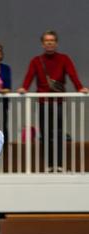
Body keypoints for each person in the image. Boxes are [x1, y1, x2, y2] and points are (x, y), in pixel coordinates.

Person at [18, 30, 88, 172]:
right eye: (46, 41)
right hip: (43, 102)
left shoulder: (64, 59)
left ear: (56, 43)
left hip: (58, 102)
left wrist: (80, 87)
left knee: (58, 133)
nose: (49, 43)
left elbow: (72, 74)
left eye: (52, 41)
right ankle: (50, 165)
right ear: (43, 44)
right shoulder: (36, 61)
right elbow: (29, 76)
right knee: (45, 134)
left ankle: (60, 165)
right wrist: (24, 88)